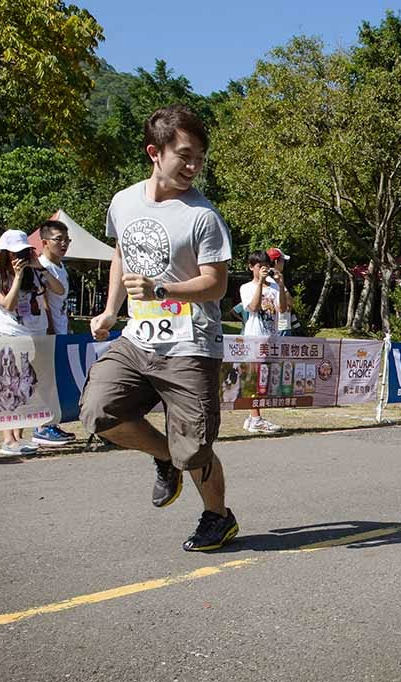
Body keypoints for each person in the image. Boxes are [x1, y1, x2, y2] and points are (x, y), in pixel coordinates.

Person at [79, 105, 238, 552]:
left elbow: (216, 284)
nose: (193, 166)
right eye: (185, 155)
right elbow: (121, 255)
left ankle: (218, 517)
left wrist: (162, 288)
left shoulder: (202, 216)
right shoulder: (123, 202)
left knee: (195, 450)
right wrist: (111, 310)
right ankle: (164, 456)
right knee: (98, 412)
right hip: (137, 339)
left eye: (200, 157)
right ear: (155, 152)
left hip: (191, 345)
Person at [0, 229, 65, 455]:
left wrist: (39, 268)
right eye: (14, 253)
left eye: (23, 252)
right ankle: (7, 439)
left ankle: (18, 438)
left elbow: (59, 290)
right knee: (8, 386)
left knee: (26, 386)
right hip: (10, 333)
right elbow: (8, 305)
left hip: (36, 333)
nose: (19, 257)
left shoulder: (37, 272)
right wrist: (18, 276)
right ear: (4, 254)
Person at [32, 219, 78, 445]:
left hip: (61, 328)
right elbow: (44, 301)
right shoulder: (41, 266)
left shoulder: (60, 266)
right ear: (45, 242)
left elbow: (61, 300)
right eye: (58, 240)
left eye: (66, 240)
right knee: (45, 378)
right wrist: (50, 328)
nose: (64, 244)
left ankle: (51, 423)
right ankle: (42, 426)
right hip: (47, 332)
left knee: (55, 379)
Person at [239, 248, 286, 434]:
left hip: (271, 337)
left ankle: (253, 418)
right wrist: (259, 282)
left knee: (264, 379)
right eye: (260, 266)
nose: (264, 270)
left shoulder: (274, 287)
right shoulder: (246, 287)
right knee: (254, 378)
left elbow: (282, 309)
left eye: (266, 266)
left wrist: (280, 285)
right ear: (251, 267)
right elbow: (253, 307)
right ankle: (256, 418)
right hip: (254, 337)